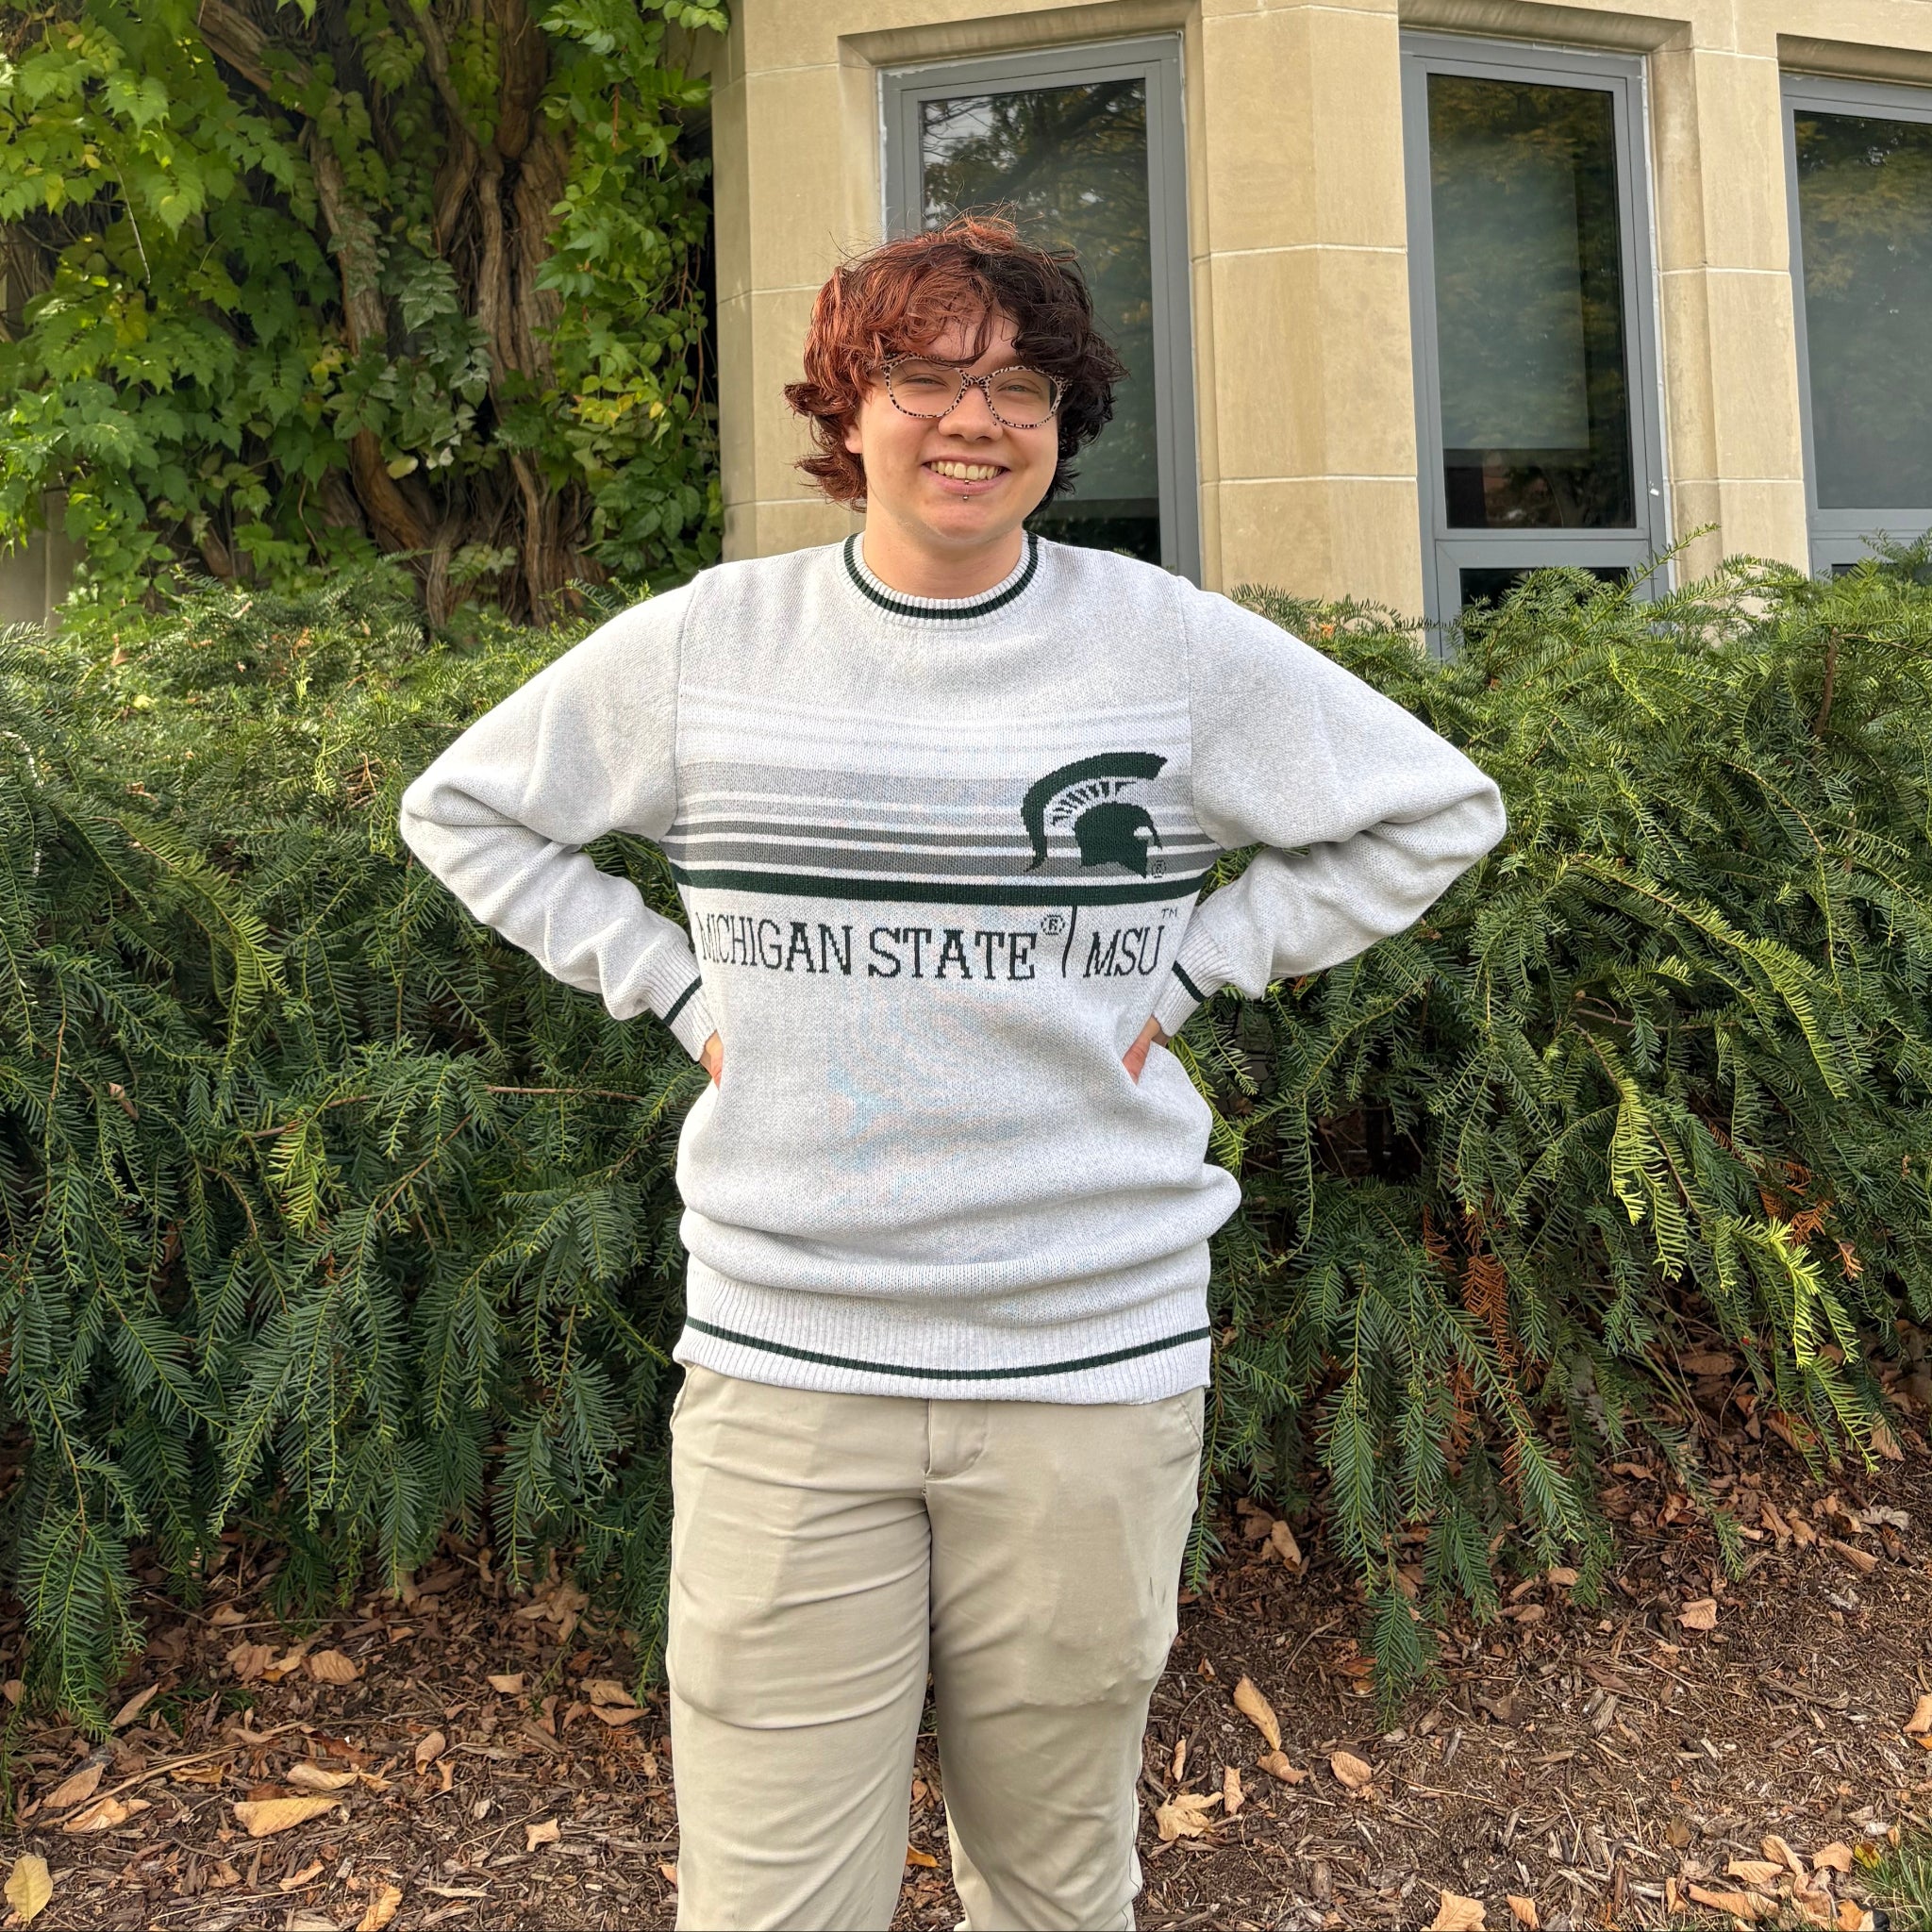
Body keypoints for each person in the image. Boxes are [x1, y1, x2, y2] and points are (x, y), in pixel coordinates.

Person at [398, 214, 1507, 1932]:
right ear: (848, 411)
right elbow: (461, 807)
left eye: (1021, 385)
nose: (972, 420)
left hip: (1088, 1360)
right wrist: (676, 986)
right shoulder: (711, 646)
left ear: (1063, 424)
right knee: (772, 1899)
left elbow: (1439, 807)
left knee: (1058, 1883)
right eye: (924, 375)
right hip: (787, 1366)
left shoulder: (1169, 648)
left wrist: (1197, 960)